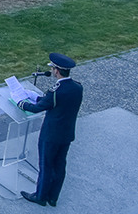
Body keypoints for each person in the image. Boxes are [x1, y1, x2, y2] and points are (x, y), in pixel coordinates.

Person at [17, 53, 83, 207]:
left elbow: (37, 108)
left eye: (53, 68)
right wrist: (36, 96)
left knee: (46, 165)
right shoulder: (77, 87)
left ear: (57, 71)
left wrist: (21, 103)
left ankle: (40, 196)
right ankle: (53, 197)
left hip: (51, 134)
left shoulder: (57, 90)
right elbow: (54, 103)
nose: (52, 71)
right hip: (66, 134)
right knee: (60, 165)